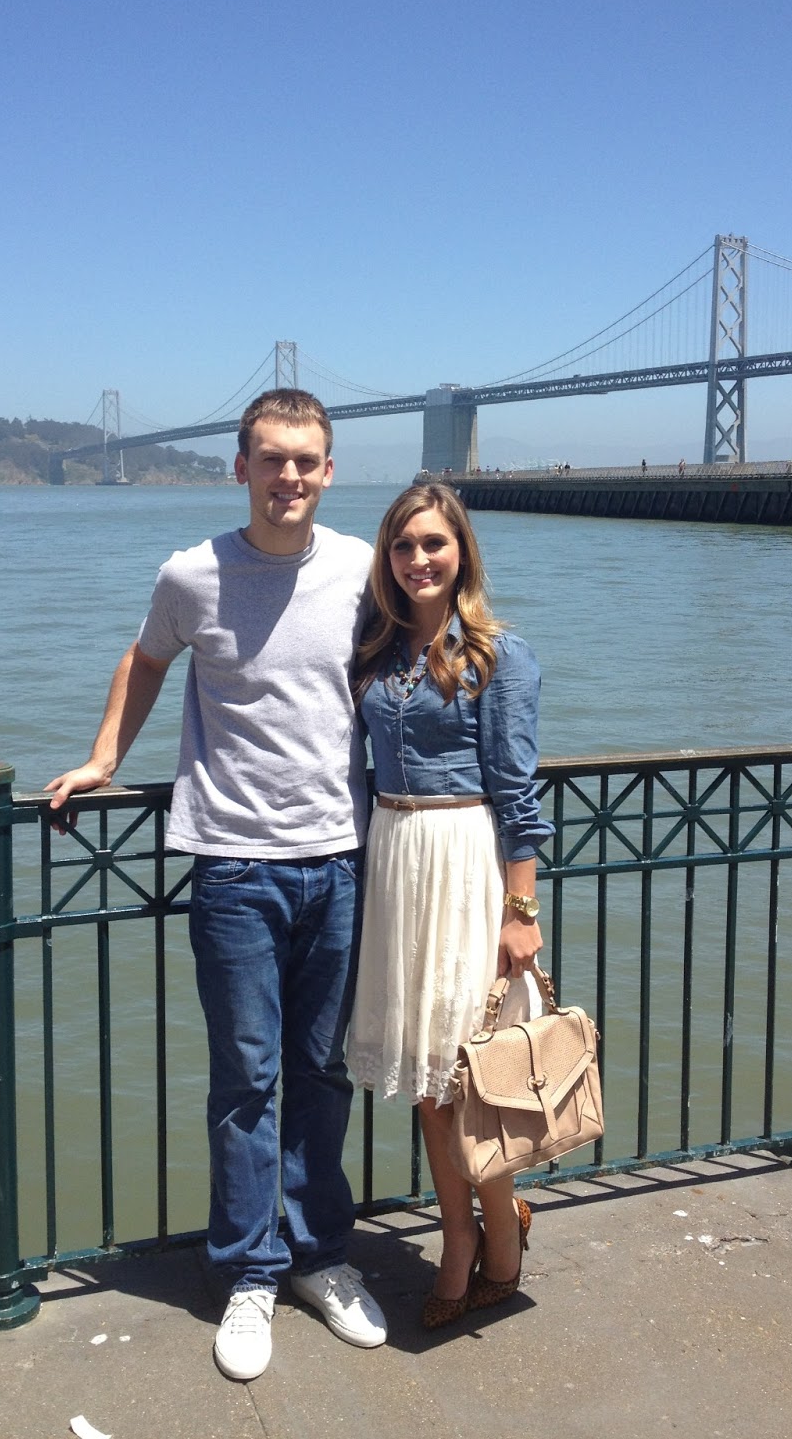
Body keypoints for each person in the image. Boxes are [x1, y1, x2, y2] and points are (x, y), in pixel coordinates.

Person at [45, 388, 386, 1382]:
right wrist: (104, 758)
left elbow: (414, 668)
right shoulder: (190, 573)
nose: (289, 475)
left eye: (306, 460)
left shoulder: (363, 569)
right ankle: (248, 1271)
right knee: (246, 1081)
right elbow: (147, 659)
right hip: (233, 863)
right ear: (240, 467)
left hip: (342, 858)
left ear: (330, 471)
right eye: (272, 458)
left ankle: (320, 1256)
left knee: (323, 1071)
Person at [346, 482, 552, 1330]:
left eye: (434, 543)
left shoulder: (498, 655)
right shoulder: (376, 650)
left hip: (465, 861)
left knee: (474, 1077)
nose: (418, 559)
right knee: (430, 1084)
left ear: (462, 551)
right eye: (403, 545)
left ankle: (496, 1241)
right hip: (396, 861)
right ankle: (458, 1234)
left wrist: (521, 911)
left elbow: (518, 792)